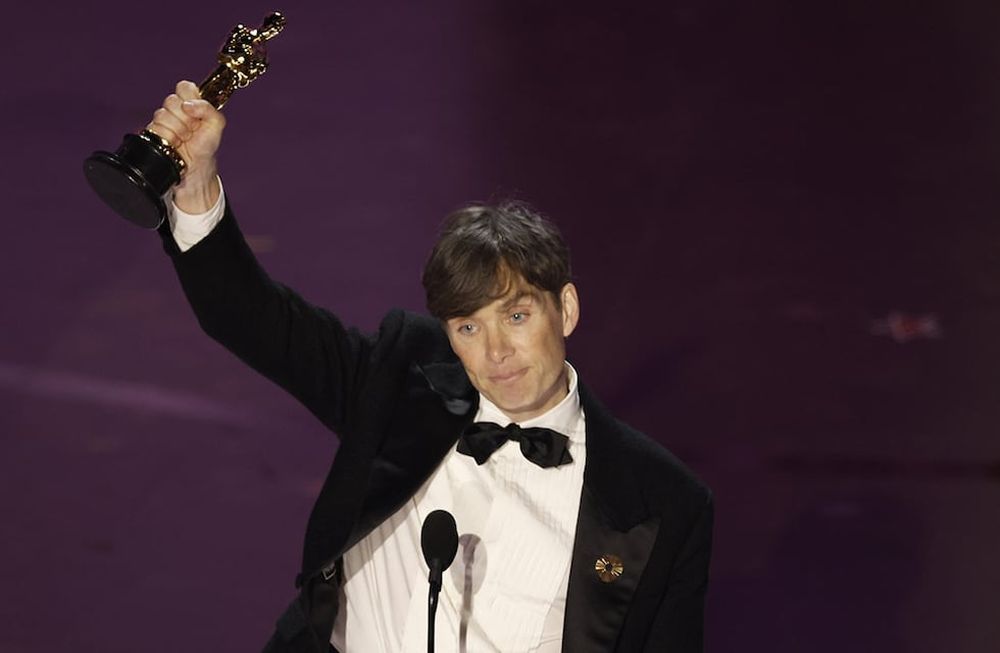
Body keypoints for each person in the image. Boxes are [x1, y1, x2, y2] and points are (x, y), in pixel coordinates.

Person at [148, 81, 713, 652]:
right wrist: (194, 185)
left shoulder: (662, 502)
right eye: (469, 328)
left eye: (516, 316)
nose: (496, 352)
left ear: (564, 308)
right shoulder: (401, 382)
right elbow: (253, 321)